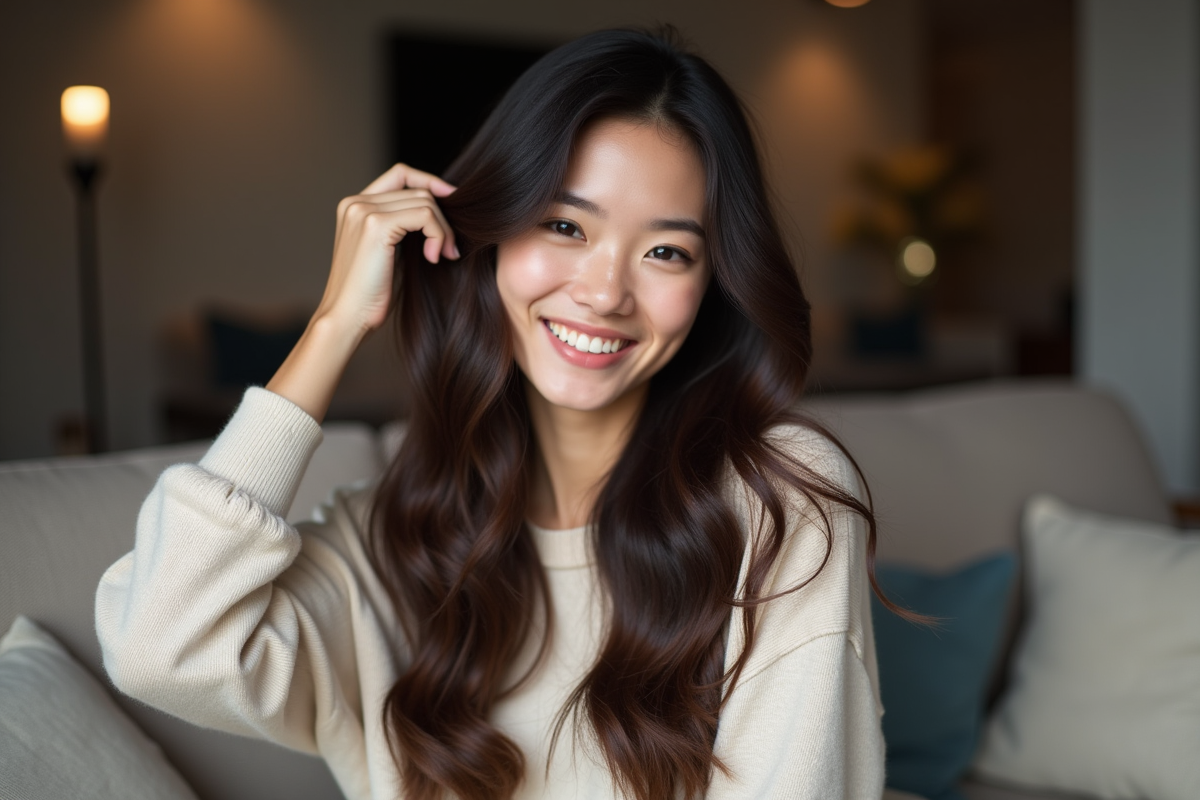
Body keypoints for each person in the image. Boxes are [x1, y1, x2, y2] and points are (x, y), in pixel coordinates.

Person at [96, 26, 896, 800]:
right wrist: (333, 325)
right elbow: (157, 647)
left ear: (712, 285)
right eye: (563, 224)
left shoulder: (777, 503)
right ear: (490, 237)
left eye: (665, 251)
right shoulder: (390, 551)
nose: (605, 291)